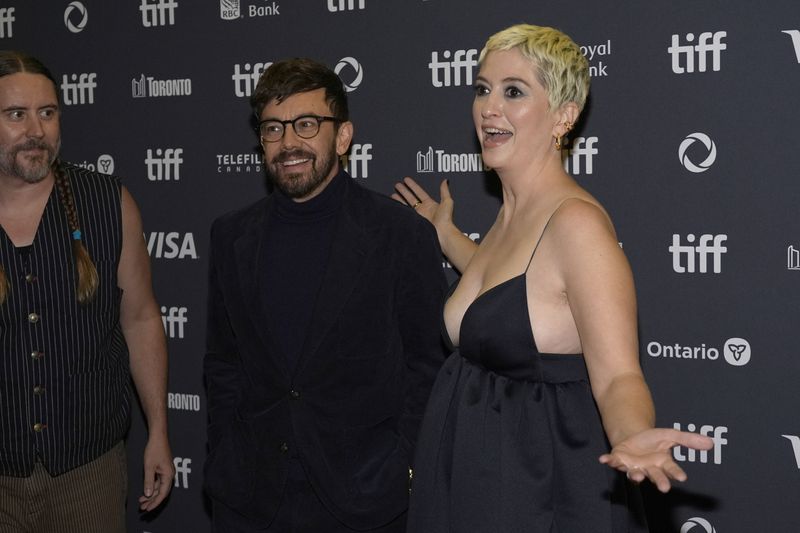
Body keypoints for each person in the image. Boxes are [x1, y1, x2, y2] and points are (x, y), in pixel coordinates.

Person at [392, 24, 714, 532]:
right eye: (482, 89)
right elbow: (511, 294)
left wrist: (631, 433)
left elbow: (618, 376)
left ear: (563, 116)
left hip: (536, 491)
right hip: (471, 475)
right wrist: (445, 233)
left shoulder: (576, 225)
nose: (488, 107)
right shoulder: (509, 213)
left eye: (513, 91)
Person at [203, 57, 447, 533]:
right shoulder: (230, 236)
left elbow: (428, 367)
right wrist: (224, 449)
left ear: (343, 136)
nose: (289, 142)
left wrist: (400, 468)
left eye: (306, 124)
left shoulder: (399, 234)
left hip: (364, 500)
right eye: (273, 128)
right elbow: (223, 362)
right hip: (251, 497)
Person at [0, 51, 174, 532]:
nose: (36, 130)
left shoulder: (108, 202)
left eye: (48, 113)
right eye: (16, 114)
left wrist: (158, 431)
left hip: (89, 473)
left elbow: (139, 319)